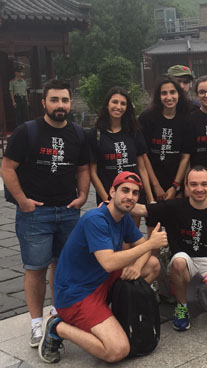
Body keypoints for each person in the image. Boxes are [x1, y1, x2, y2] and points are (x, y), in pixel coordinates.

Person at [38, 172, 165, 364]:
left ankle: (114, 312)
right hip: (77, 294)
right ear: (112, 192)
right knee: (117, 350)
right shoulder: (95, 219)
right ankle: (56, 327)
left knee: (152, 265)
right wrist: (150, 244)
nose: (130, 196)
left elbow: (141, 248)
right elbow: (110, 262)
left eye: (135, 193)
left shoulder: (123, 217)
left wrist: (138, 266)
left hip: (101, 279)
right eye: (125, 190)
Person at [0, 79, 90, 348]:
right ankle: (36, 324)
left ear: (70, 103)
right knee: (35, 268)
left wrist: (83, 196)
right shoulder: (27, 132)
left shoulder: (78, 133)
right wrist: (22, 201)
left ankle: (58, 313)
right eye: (54, 100)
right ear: (44, 103)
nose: (60, 105)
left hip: (68, 210)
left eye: (64, 100)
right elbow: (7, 168)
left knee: (63, 266)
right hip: (34, 213)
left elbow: (83, 168)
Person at [131, 166, 207, 331]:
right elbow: (142, 209)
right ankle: (182, 307)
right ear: (186, 187)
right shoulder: (175, 207)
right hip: (184, 259)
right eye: (193, 184)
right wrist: (116, 204)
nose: (199, 189)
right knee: (179, 261)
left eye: (203, 184)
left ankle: (204, 292)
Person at [88, 87, 153, 226]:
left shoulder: (134, 132)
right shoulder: (96, 134)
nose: (118, 107)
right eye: (115, 102)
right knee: (111, 241)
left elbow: (142, 168)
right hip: (109, 198)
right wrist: (107, 199)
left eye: (123, 104)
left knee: (131, 240)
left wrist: (150, 198)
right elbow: (93, 172)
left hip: (133, 196)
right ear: (107, 104)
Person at [139, 77, 191, 204]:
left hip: (176, 182)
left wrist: (175, 186)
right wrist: (155, 186)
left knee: (176, 222)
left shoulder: (186, 118)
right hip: (152, 181)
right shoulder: (147, 118)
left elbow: (185, 157)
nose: (169, 97)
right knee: (154, 223)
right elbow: (144, 155)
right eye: (164, 93)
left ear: (179, 94)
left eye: (172, 92)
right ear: (158, 96)